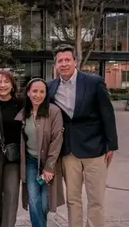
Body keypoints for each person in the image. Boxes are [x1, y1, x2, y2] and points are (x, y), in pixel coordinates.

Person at [48, 44, 118, 227]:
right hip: (69, 150)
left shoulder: (94, 82)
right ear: (55, 64)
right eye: (60, 61)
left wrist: (111, 145)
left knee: (96, 199)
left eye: (67, 60)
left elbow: (107, 114)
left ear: (75, 62)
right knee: (73, 198)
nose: (64, 64)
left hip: (95, 148)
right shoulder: (50, 87)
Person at [16, 78, 65, 227]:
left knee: (44, 203)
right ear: (28, 93)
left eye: (42, 91)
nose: (38, 95)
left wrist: (49, 167)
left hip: (47, 162)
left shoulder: (54, 111)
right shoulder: (23, 113)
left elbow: (57, 140)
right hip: (30, 161)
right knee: (33, 199)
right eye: (34, 91)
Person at [0, 70, 22, 227]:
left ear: (12, 85)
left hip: (13, 156)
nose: (2, 85)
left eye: (6, 81)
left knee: (11, 193)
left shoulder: (21, 103)